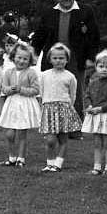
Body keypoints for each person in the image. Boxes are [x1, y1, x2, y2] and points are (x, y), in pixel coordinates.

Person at [32, 0, 100, 137]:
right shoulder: (49, 13)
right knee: (51, 93)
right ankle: (52, 127)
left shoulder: (86, 11)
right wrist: (33, 53)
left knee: (75, 92)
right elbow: (40, 35)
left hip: (76, 59)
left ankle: (75, 130)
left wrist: (91, 58)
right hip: (52, 59)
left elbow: (94, 37)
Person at [39, 43, 81, 172]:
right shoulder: (44, 75)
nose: (58, 61)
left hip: (64, 109)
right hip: (49, 109)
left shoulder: (70, 76)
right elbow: (41, 92)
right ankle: (50, 162)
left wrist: (68, 108)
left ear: (67, 59)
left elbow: (73, 95)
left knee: (63, 138)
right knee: (50, 140)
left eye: (61, 58)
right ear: (50, 59)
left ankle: (58, 163)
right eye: (55, 58)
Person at [0, 41, 41, 167]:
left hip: (25, 104)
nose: (21, 61)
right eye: (19, 57)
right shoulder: (8, 72)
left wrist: (21, 89)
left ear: (29, 60)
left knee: (22, 133)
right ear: (13, 57)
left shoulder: (31, 73)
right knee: (9, 133)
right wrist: (10, 89)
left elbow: (35, 90)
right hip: (12, 104)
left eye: (25, 59)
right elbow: (4, 89)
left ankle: (20, 158)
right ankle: (11, 157)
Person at [81, 50, 107, 176]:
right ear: (96, 67)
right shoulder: (93, 82)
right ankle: (97, 166)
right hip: (96, 115)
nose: (104, 69)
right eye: (101, 66)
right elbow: (87, 95)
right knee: (97, 142)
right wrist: (89, 106)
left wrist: (101, 109)